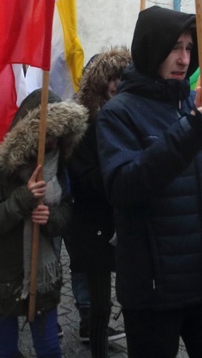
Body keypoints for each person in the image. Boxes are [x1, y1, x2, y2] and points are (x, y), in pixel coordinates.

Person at [96, 6, 202, 358]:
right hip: (153, 288)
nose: (184, 59)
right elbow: (124, 187)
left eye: (189, 48)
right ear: (152, 48)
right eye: (174, 48)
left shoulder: (191, 109)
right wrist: (186, 135)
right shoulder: (118, 113)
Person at [0, 89, 86, 358]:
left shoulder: (59, 166)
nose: (54, 141)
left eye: (59, 134)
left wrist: (51, 218)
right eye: (49, 133)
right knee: (5, 349)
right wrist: (23, 198)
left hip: (42, 276)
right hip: (1, 276)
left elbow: (67, 211)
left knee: (49, 348)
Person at [65, 47, 131, 355]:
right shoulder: (84, 123)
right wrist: (117, 176)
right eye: (111, 77)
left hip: (127, 219)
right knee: (99, 300)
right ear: (100, 81)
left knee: (132, 291)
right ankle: (97, 342)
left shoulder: (131, 117)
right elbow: (81, 176)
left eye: (122, 76)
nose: (117, 83)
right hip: (94, 220)